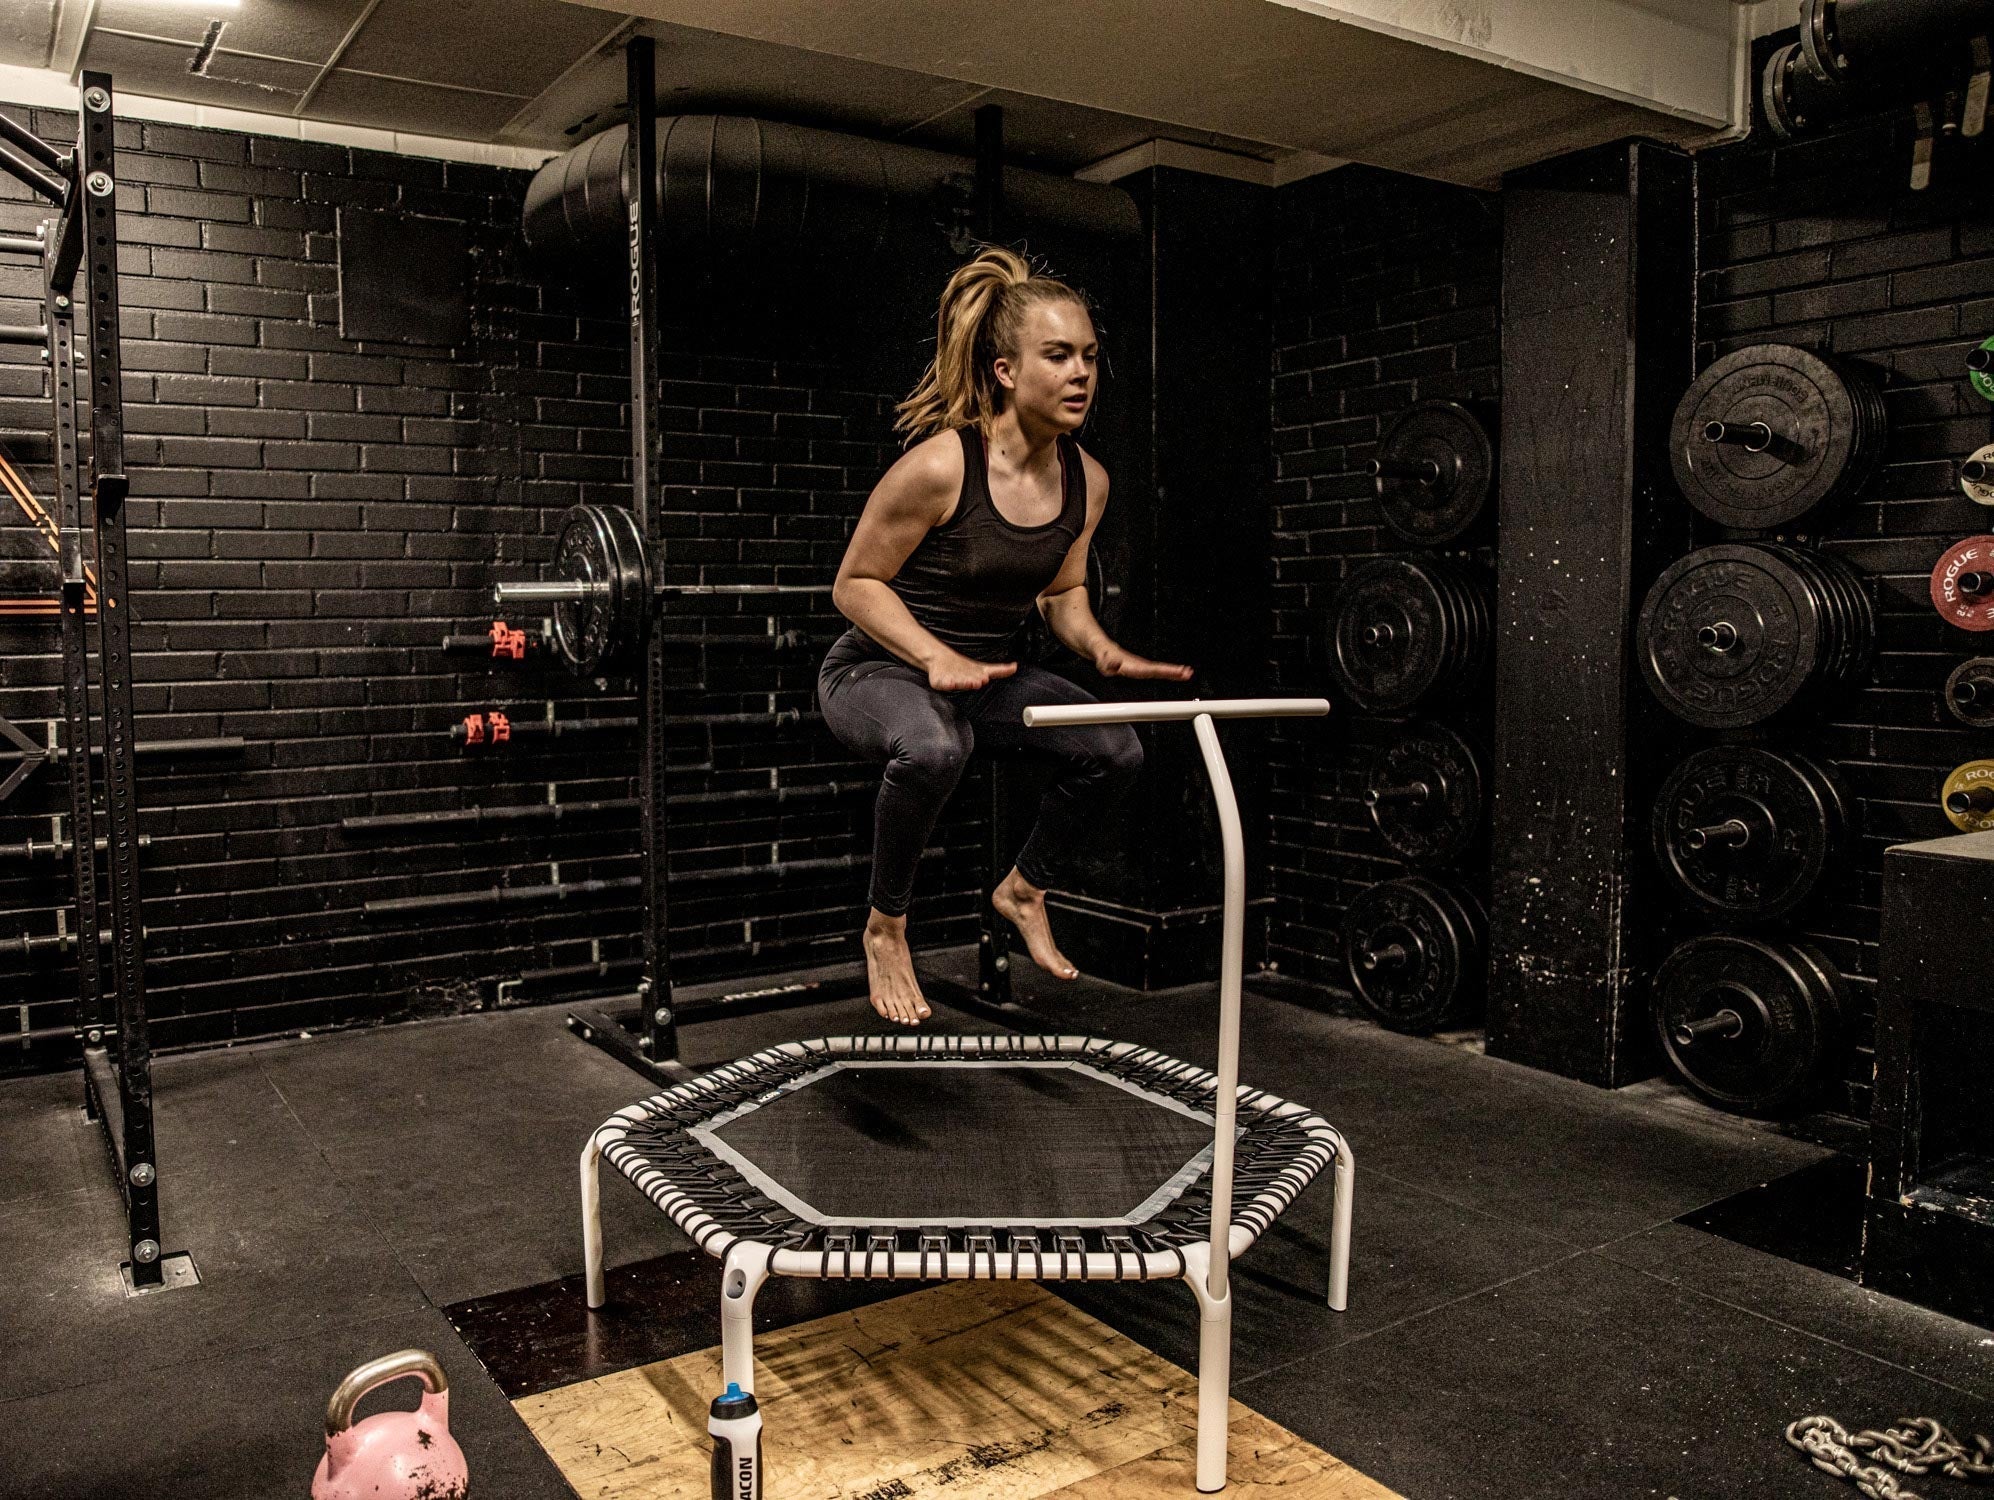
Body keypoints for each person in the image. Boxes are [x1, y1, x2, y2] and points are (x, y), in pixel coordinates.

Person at [820, 247, 1191, 1027]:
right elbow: (853, 585)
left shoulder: (1088, 480)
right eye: (1057, 356)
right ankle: (886, 926)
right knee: (935, 749)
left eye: (1089, 356)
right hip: (875, 672)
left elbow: (1061, 591)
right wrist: (933, 655)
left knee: (1114, 748)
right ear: (1005, 372)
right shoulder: (942, 467)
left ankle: (1024, 888)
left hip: (977, 680)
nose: (1080, 373)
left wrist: (1098, 647)